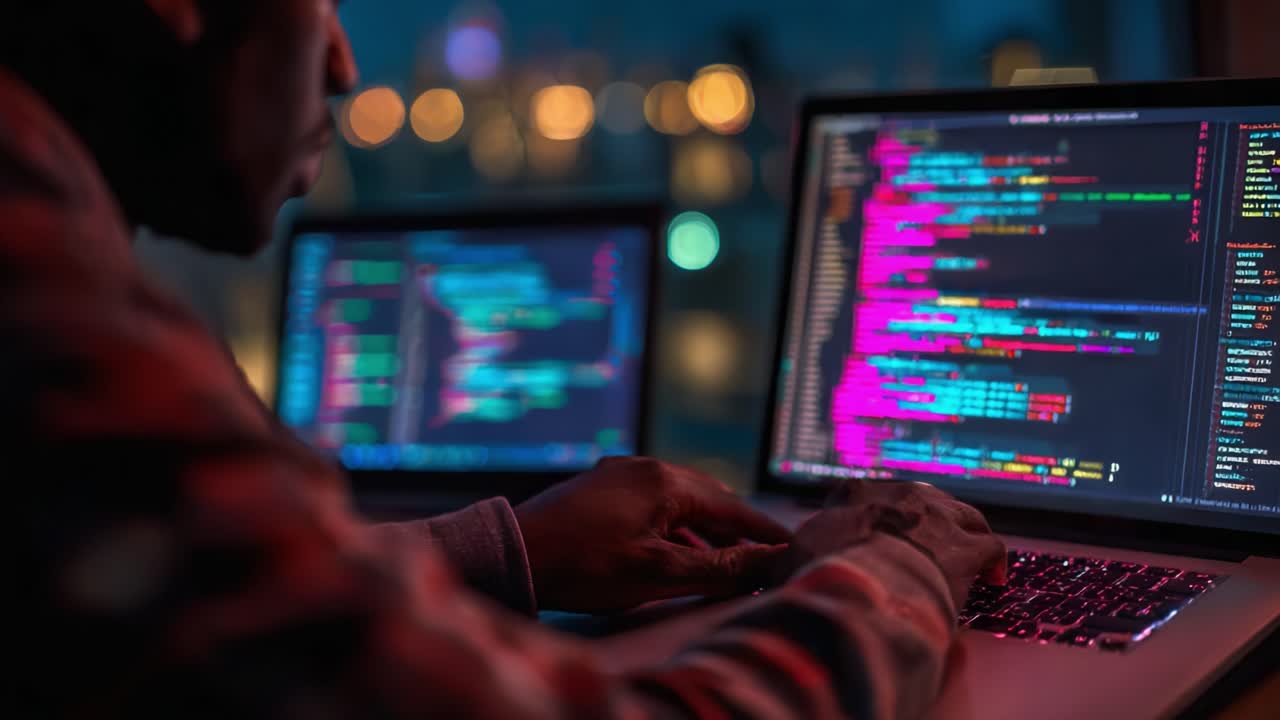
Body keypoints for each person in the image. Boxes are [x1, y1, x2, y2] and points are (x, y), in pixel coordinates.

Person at [3, 2, 1007, 718]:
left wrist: (509, 551)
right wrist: (895, 575)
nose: (346, 67)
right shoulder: (47, 320)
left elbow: (201, 601)